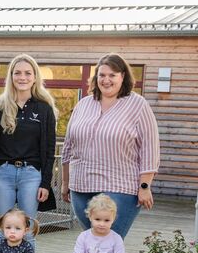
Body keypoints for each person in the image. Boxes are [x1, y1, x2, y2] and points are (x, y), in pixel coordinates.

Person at [61, 53, 160, 241]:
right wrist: (66, 183)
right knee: (92, 244)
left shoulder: (137, 105)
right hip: (81, 186)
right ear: (96, 78)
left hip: (120, 188)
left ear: (123, 76)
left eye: (112, 75)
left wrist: (145, 186)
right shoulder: (83, 105)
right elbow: (68, 147)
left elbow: (150, 148)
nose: (106, 80)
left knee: (109, 245)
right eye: (102, 75)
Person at [0, 54, 57, 248]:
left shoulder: (44, 109)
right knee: (3, 229)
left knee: (28, 230)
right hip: (3, 174)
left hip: (31, 175)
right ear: (11, 76)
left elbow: (50, 150)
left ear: (35, 77)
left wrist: (46, 183)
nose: (22, 77)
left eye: (27, 73)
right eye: (17, 73)